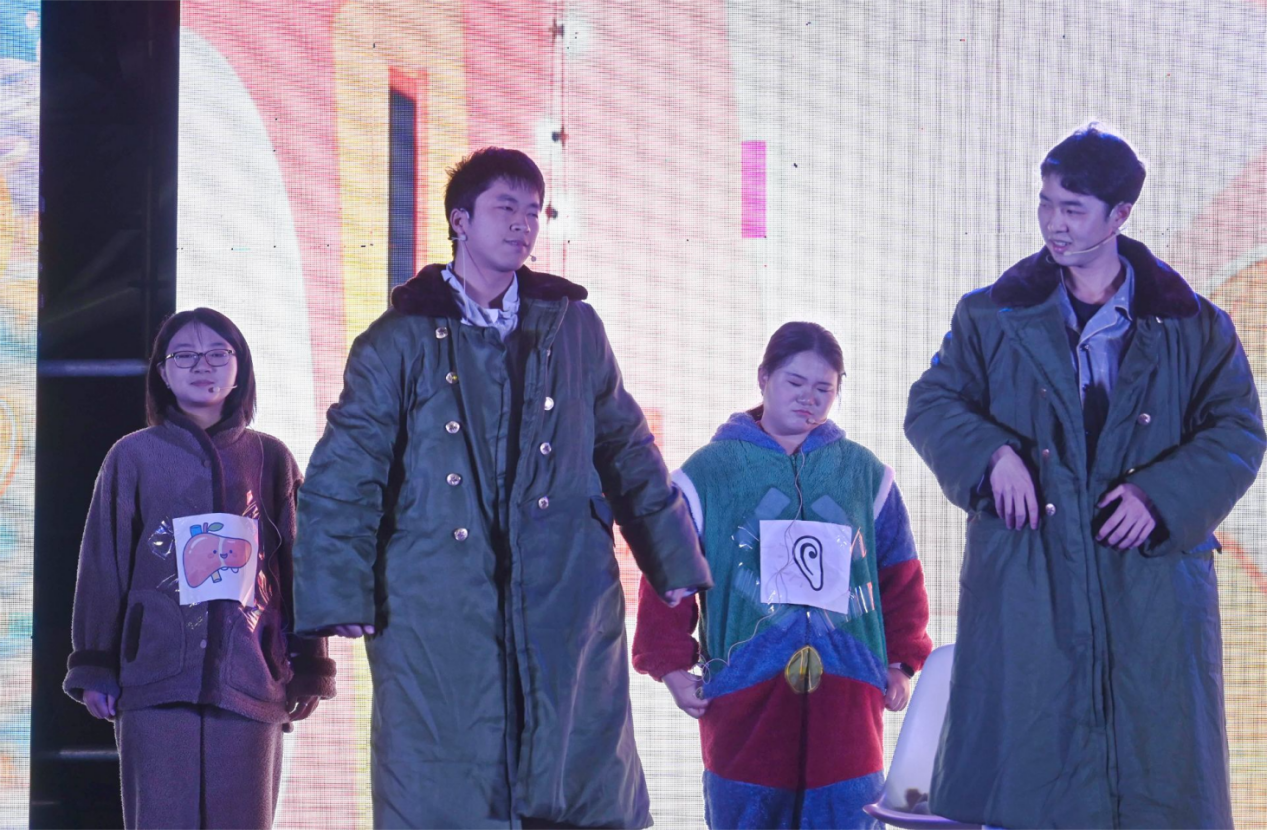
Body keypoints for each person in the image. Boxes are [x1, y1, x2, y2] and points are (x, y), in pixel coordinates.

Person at [291, 147, 712, 830]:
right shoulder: (396, 341)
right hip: (437, 596)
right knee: (447, 778)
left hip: (565, 587)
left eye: (533, 211)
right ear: (460, 220)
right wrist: (338, 592)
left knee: (576, 771)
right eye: (505, 207)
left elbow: (626, 447)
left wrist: (673, 560)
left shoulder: (574, 328)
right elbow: (347, 470)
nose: (522, 224)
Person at [905, 124, 1265, 830]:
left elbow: (1237, 431)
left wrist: (1161, 495)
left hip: (1148, 584)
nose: (1053, 223)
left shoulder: (1195, 326)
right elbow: (932, 404)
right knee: (1031, 773)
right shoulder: (991, 316)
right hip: (1030, 575)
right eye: (1045, 203)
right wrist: (991, 455)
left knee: (1153, 774)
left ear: (1119, 215)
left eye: (1072, 208)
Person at [632, 321, 933, 830]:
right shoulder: (708, 474)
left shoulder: (865, 475)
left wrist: (901, 661)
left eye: (824, 389)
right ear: (764, 378)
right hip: (746, 695)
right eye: (795, 382)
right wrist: (671, 666)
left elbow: (899, 574)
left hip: (847, 698)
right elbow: (668, 574)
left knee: (849, 815)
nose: (808, 399)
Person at [63, 307, 336, 830]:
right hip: (156, 679)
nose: (202, 365)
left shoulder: (271, 458)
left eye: (217, 353)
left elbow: (304, 567)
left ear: (240, 368)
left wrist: (310, 663)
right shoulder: (133, 457)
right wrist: (96, 664)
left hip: (252, 679)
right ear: (163, 373)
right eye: (184, 355)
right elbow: (103, 565)